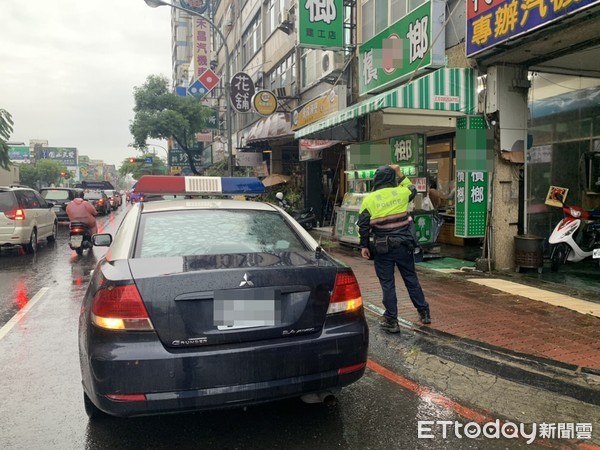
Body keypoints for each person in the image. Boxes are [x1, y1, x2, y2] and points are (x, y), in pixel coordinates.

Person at [357, 164, 431, 334]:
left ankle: (392, 321)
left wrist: (364, 246)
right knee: (411, 279)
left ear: (376, 180)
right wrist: (399, 172)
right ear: (392, 178)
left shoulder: (370, 199)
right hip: (404, 245)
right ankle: (424, 312)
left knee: (387, 284)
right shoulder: (402, 192)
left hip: (383, 248)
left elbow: (363, 225)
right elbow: (412, 188)